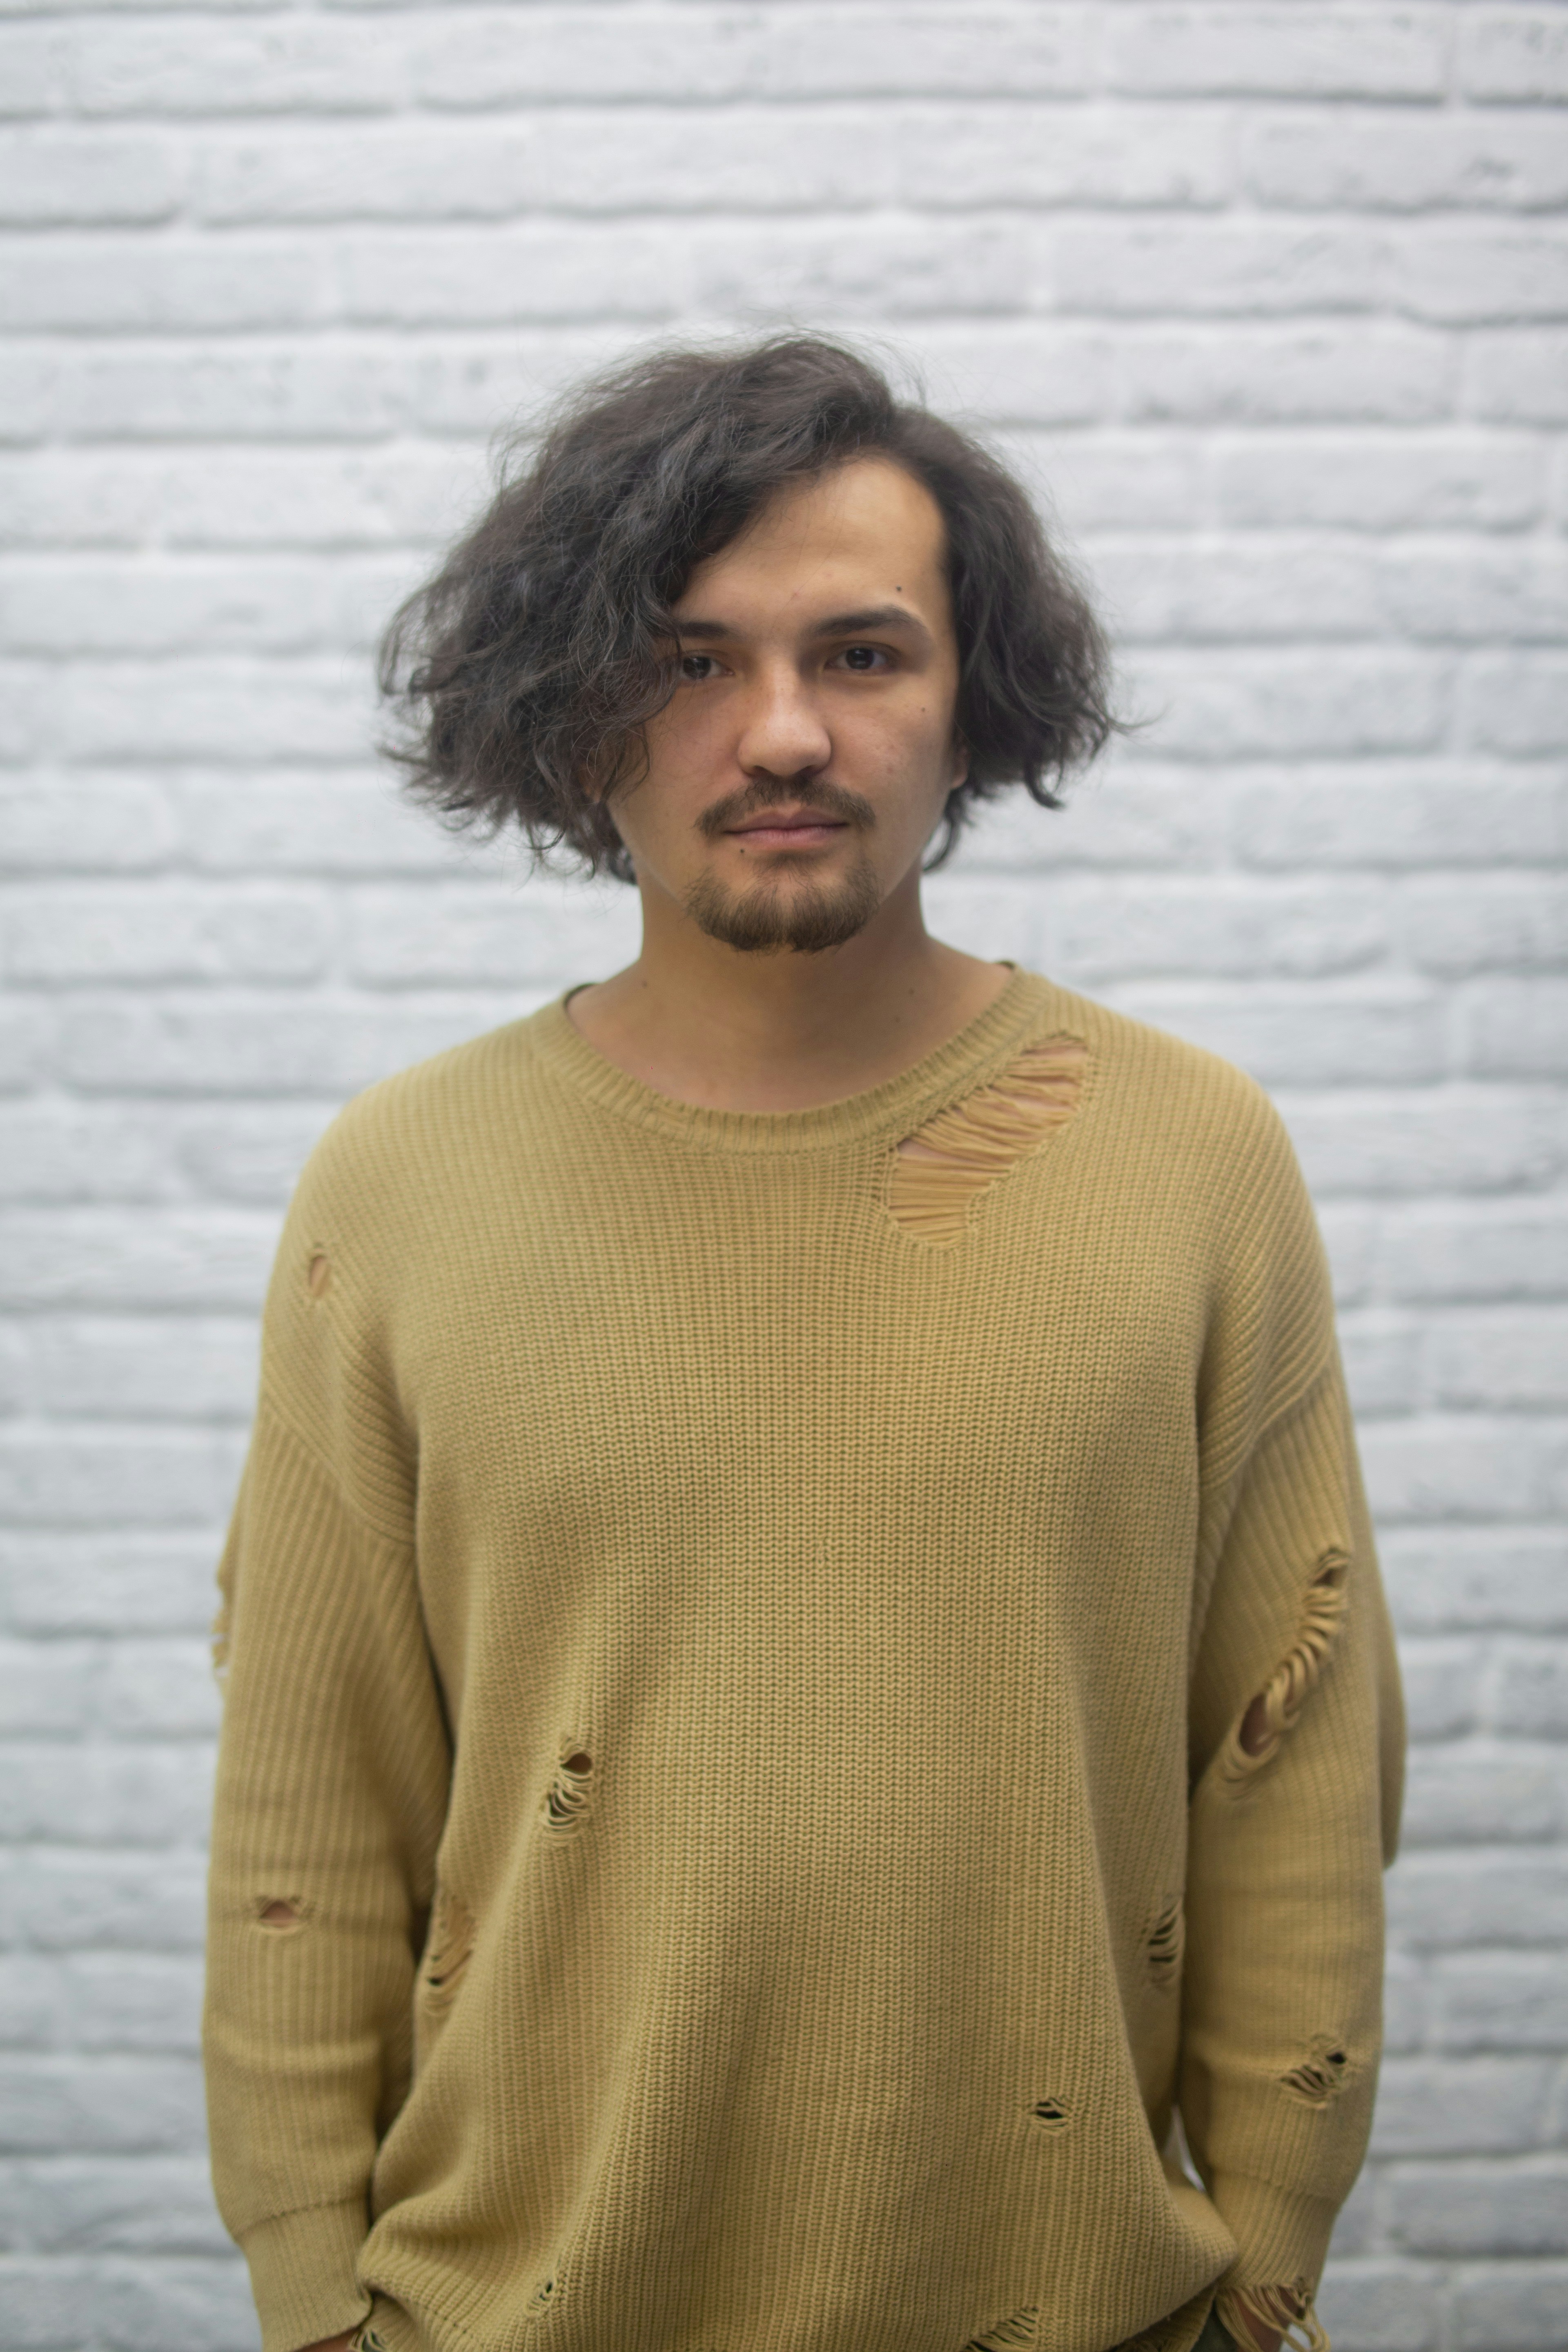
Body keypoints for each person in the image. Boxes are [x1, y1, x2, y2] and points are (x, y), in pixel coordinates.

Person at [202, 335, 1404, 2352]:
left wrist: (1265, 2257)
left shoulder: (1191, 1154)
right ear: (572, 712)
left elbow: (1289, 1762)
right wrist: (316, 2299)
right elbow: (313, 1795)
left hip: (1079, 2307)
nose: (779, 732)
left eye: (863, 654)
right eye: (687, 661)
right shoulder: (398, 1186)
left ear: (971, 695)